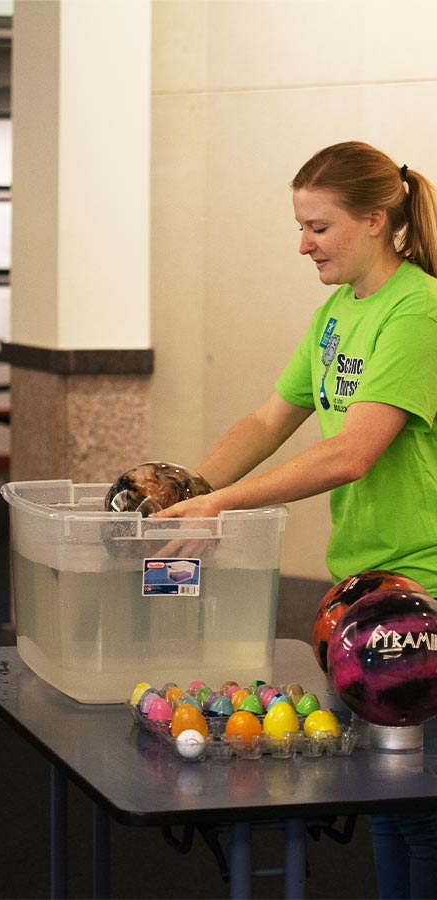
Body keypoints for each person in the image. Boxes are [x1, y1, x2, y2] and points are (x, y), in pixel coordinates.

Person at [155, 141, 437, 899]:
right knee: (389, 801)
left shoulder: (419, 312)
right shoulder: (337, 313)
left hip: (425, 589)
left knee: (423, 812)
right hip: (365, 584)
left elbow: (351, 453)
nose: (302, 244)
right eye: (300, 225)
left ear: (377, 218)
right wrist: (190, 486)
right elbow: (268, 417)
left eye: (318, 226)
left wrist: (220, 504)